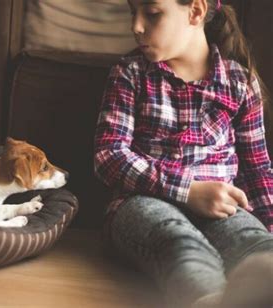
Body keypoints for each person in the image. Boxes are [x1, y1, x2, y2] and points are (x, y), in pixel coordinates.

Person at [94, 0, 273, 307]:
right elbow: (109, 155)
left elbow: (258, 172)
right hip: (142, 204)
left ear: (196, 11)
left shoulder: (240, 82)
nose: (135, 26)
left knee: (256, 245)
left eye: (151, 13)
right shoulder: (130, 73)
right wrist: (187, 191)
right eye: (132, 12)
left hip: (224, 208)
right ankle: (205, 299)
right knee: (180, 244)